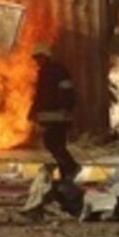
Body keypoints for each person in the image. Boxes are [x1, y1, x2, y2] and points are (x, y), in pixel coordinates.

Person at [29, 42, 81, 181]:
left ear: (46, 56)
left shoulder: (58, 71)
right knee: (56, 144)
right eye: (35, 58)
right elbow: (40, 95)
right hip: (51, 116)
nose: (37, 61)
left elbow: (67, 90)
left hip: (59, 115)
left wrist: (65, 107)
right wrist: (33, 111)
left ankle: (71, 167)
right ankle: (66, 173)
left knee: (52, 143)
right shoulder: (44, 72)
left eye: (39, 57)